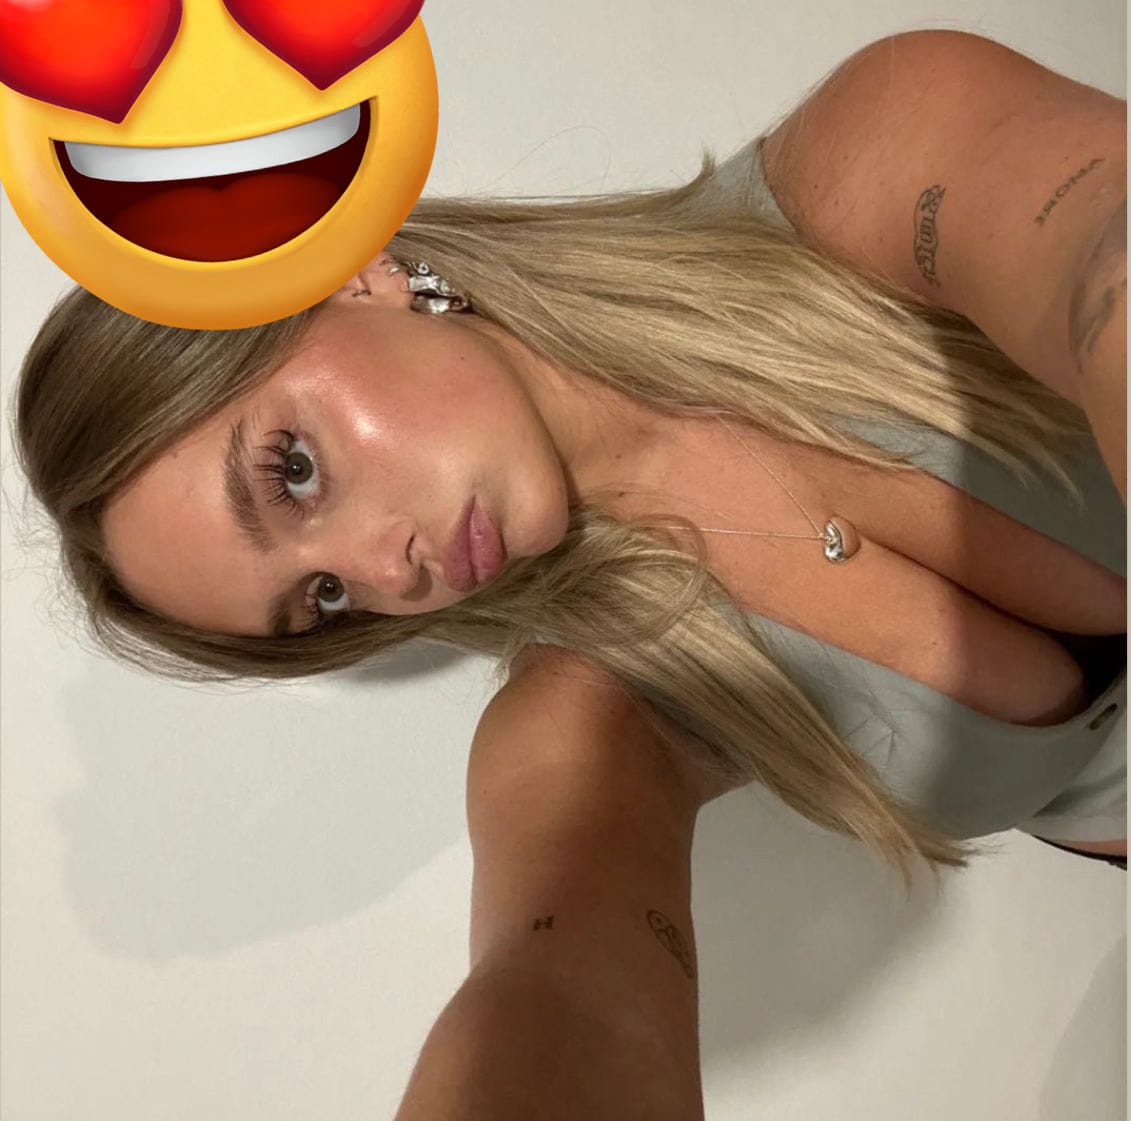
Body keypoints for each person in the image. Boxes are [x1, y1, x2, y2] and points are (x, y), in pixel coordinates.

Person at [12, 29, 1127, 1119]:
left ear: (355, 276)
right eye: (321, 599)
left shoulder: (867, 159)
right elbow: (558, 989)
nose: (384, 571)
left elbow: (1100, 260)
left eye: (293, 471)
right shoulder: (593, 710)